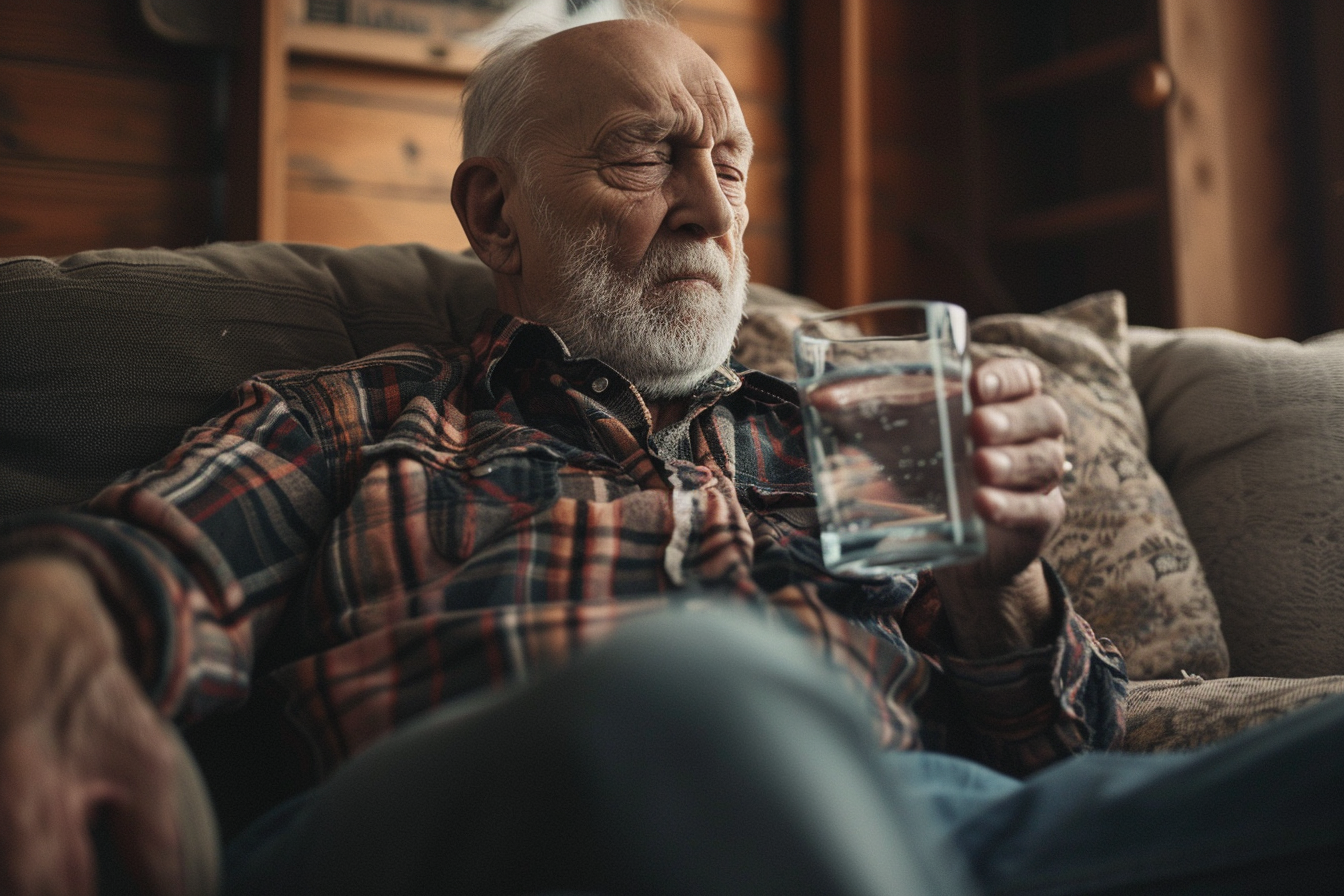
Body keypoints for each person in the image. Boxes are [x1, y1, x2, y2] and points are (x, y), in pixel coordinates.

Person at [1, 14, 1342, 896]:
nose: (713, 209)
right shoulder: (357, 414)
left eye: (734, 163)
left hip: (919, 832)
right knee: (692, 683)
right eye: (648, 156)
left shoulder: (837, 431)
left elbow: (1068, 758)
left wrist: (1002, 587)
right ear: (496, 211)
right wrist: (47, 625)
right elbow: (123, 577)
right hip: (485, 829)